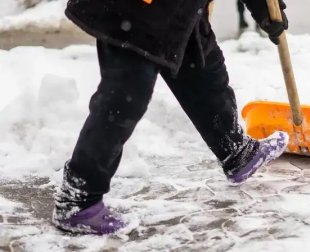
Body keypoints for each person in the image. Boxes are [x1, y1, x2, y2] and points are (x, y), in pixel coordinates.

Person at [53, 0, 289, 235]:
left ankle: (235, 150)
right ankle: (78, 198)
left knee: (199, 60)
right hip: (135, 10)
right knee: (127, 92)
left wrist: (263, 8)